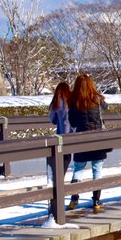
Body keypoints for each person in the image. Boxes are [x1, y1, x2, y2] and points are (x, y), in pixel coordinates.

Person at [67, 74, 109, 213]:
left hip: (81, 139)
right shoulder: (97, 100)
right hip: (98, 138)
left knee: (78, 168)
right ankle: (96, 200)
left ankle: (74, 198)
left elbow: (72, 123)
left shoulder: (74, 103)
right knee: (97, 170)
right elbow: (106, 108)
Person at [47, 81, 73, 209]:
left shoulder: (56, 103)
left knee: (61, 163)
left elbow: (52, 120)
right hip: (74, 136)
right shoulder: (72, 101)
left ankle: (57, 187)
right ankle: (69, 193)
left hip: (61, 137)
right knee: (74, 162)